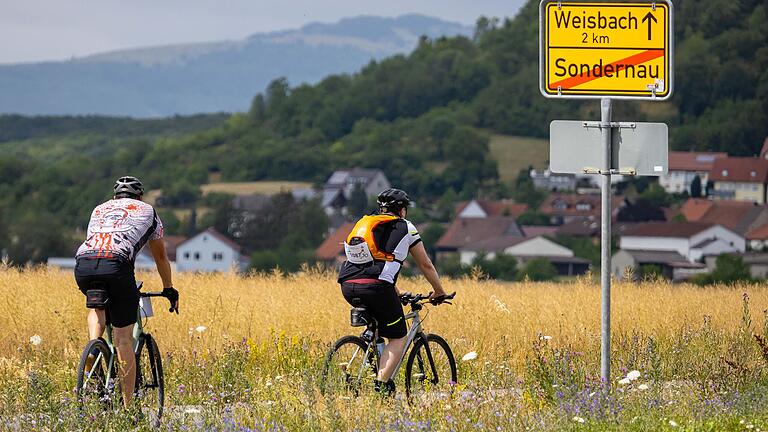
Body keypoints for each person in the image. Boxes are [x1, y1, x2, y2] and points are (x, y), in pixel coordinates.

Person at [74, 176, 179, 408]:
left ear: (114, 197)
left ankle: (94, 347)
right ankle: (128, 409)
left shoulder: (99, 209)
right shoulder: (148, 211)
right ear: (139, 197)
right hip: (117, 265)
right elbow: (160, 257)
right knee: (123, 340)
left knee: (97, 306)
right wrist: (168, 289)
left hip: (84, 263)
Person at [338, 188, 448, 395]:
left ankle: (371, 359)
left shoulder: (366, 225)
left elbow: (372, 263)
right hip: (377, 288)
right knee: (398, 337)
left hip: (347, 284)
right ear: (402, 210)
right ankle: (381, 384)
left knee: (379, 327)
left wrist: (395, 290)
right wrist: (439, 291)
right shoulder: (406, 227)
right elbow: (425, 264)